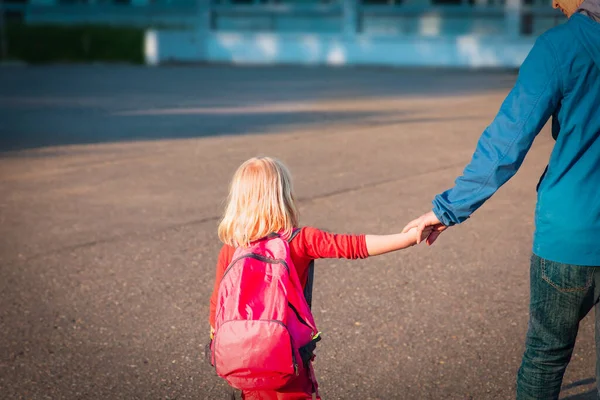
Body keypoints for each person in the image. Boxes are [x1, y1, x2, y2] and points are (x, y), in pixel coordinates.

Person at [402, 1, 600, 399]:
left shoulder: (561, 46)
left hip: (571, 234)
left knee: (545, 357)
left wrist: (450, 208)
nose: (551, 3)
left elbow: (507, 141)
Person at [209, 156, 430, 400]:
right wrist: (409, 238)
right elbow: (355, 246)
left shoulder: (231, 249)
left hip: (243, 359)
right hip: (286, 355)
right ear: (284, 196)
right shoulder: (299, 240)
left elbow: (216, 308)